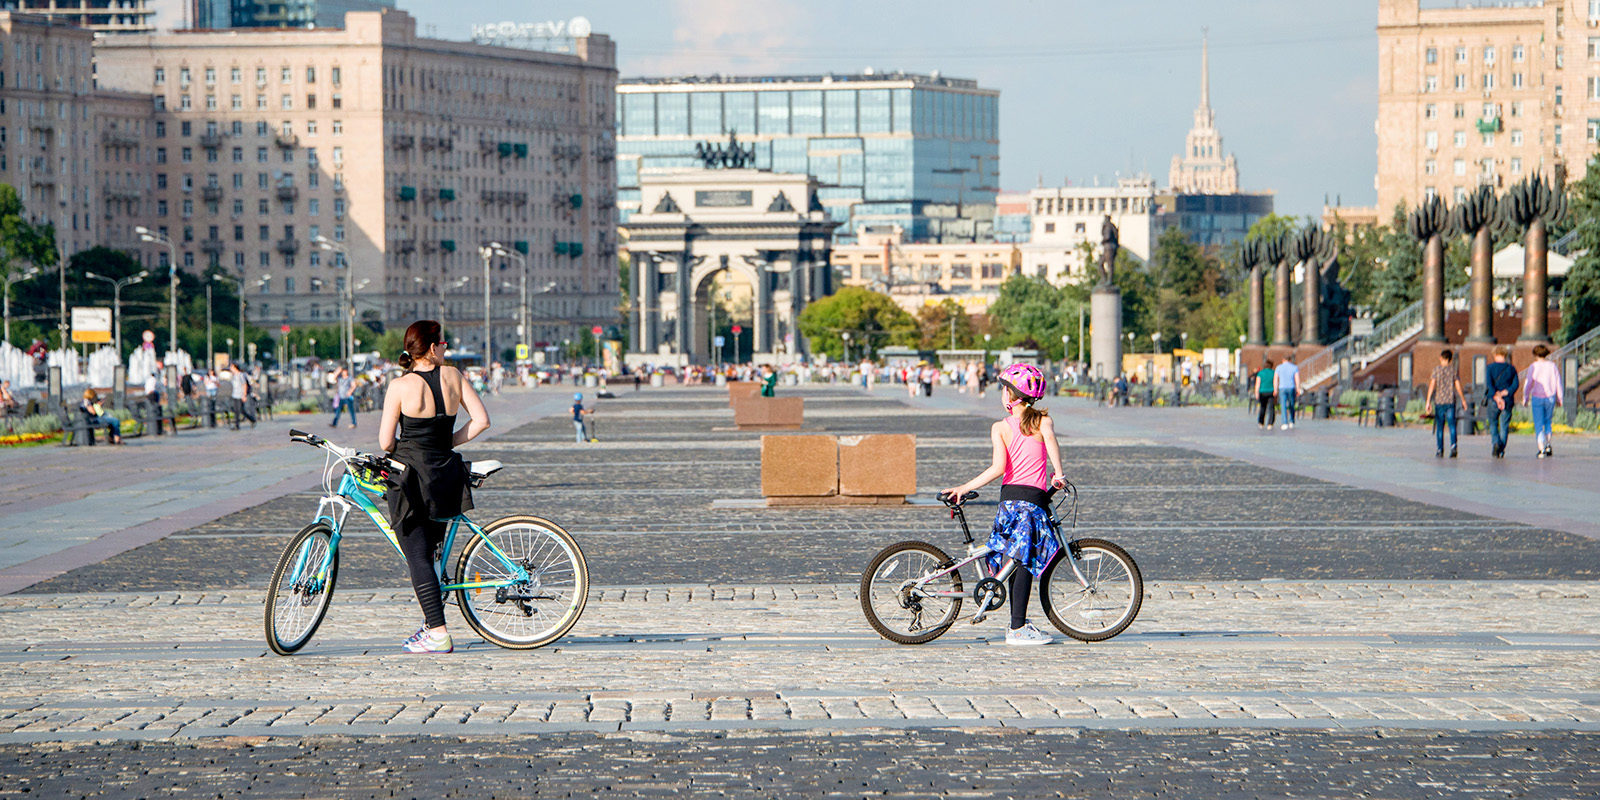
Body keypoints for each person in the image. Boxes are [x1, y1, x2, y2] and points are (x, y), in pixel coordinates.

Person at [378, 320, 490, 654]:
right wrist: (446, 444)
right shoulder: (454, 376)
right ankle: (430, 624)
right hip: (446, 473)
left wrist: (415, 450)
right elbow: (482, 421)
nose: (445, 348)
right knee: (431, 554)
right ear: (431, 347)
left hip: (412, 478)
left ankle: (438, 633)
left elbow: (385, 442)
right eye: (442, 343)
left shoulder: (400, 386)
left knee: (417, 556)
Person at [941, 363, 1067, 646]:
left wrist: (965, 486)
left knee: (1013, 560)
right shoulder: (1043, 422)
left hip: (1008, 502)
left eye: (1004, 389)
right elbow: (1052, 447)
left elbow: (998, 467)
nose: (1002, 394)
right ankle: (1017, 629)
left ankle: (1017, 623)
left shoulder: (999, 427)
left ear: (1012, 395)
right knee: (1022, 561)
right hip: (1032, 502)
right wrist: (1058, 475)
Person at [1523, 343, 1563, 458]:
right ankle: (1548, 444)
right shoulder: (1552, 366)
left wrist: (1525, 397)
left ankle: (1541, 448)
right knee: (1548, 422)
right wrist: (1560, 398)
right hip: (1550, 397)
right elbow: (1558, 383)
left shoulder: (1533, 366)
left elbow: (1529, 383)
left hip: (1537, 397)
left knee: (1539, 423)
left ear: (1535, 354)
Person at [1424, 348, 1465, 458]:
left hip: (1439, 401)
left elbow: (1432, 385)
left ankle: (1440, 449)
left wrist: (1428, 401)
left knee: (1440, 426)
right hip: (1450, 401)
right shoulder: (1453, 370)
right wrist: (1463, 399)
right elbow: (1458, 386)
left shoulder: (1436, 370)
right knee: (1452, 425)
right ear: (1450, 359)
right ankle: (1453, 446)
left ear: (1441, 358)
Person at [1484, 347, 1519, 459]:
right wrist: (1506, 392)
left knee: (1493, 423)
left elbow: (1489, 384)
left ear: (1495, 355)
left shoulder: (1489, 368)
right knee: (1504, 425)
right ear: (1505, 355)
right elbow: (1515, 385)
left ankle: (1496, 443)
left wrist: (1497, 396)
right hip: (1507, 400)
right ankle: (1501, 449)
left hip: (1493, 400)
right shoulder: (1511, 369)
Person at [1273, 354, 1300, 429]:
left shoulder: (1278, 367)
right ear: (1290, 360)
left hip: (1282, 387)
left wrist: (1275, 389)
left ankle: (1284, 422)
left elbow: (1275, 379)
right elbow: (1297, 379)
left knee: (1283, 405)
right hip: (1291, 387)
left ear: (1283, 360)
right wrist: (1298, 389)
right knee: (1291, 404)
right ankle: (1291, 421)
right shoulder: (1294, 367)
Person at [1255, 360, 1277, 429]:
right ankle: (1270, 424)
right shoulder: (1274, 373)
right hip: (1271, 392)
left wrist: (1256, 393)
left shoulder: (1260, 373)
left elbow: (1257, 384)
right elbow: (1275, 382)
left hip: (1262, 392)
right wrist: (1276, 390)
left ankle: (1261, 422)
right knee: (1271, 408)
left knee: (1262, 407)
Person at [144, 371, 166, 435]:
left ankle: (156, 429)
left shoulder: (148, 380)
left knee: (153, 409)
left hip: (149, 395)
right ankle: (157, 429)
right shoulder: (154, 380)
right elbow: (154, 388)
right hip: (152, 395)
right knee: (156, 410)